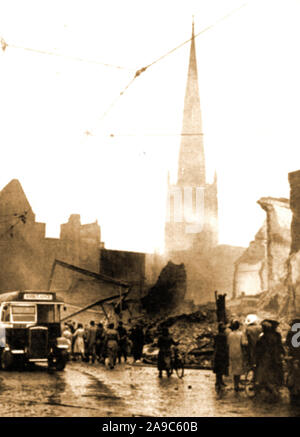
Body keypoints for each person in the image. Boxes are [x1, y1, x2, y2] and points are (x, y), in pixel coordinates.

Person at [255, 319, 285, 400]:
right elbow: (280, 346)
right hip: (276, 358)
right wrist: (283, 354)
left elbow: (259, 349)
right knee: (275, 374)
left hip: (266, 358)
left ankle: (271, 390)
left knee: (266, 375)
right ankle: (275, 389)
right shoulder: (277, 335)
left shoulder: (263, 337)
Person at [227, 320, 247, 392]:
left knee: (233, 369)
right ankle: (237, 385)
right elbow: (244, 343)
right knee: (238, 369)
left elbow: (228, 344)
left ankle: (235, 385)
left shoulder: (230, 334)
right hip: (239, 353)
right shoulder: (241, 334)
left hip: (231, 353)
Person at [213, 322, 229, 391]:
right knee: (222, 367)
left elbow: (214, 345)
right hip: (223, 353)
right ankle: (221, 381)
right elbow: (226, 345)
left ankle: (218, 381)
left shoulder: (216, 336)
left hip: (217, 353)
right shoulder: (224, 336)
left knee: (217, 368)